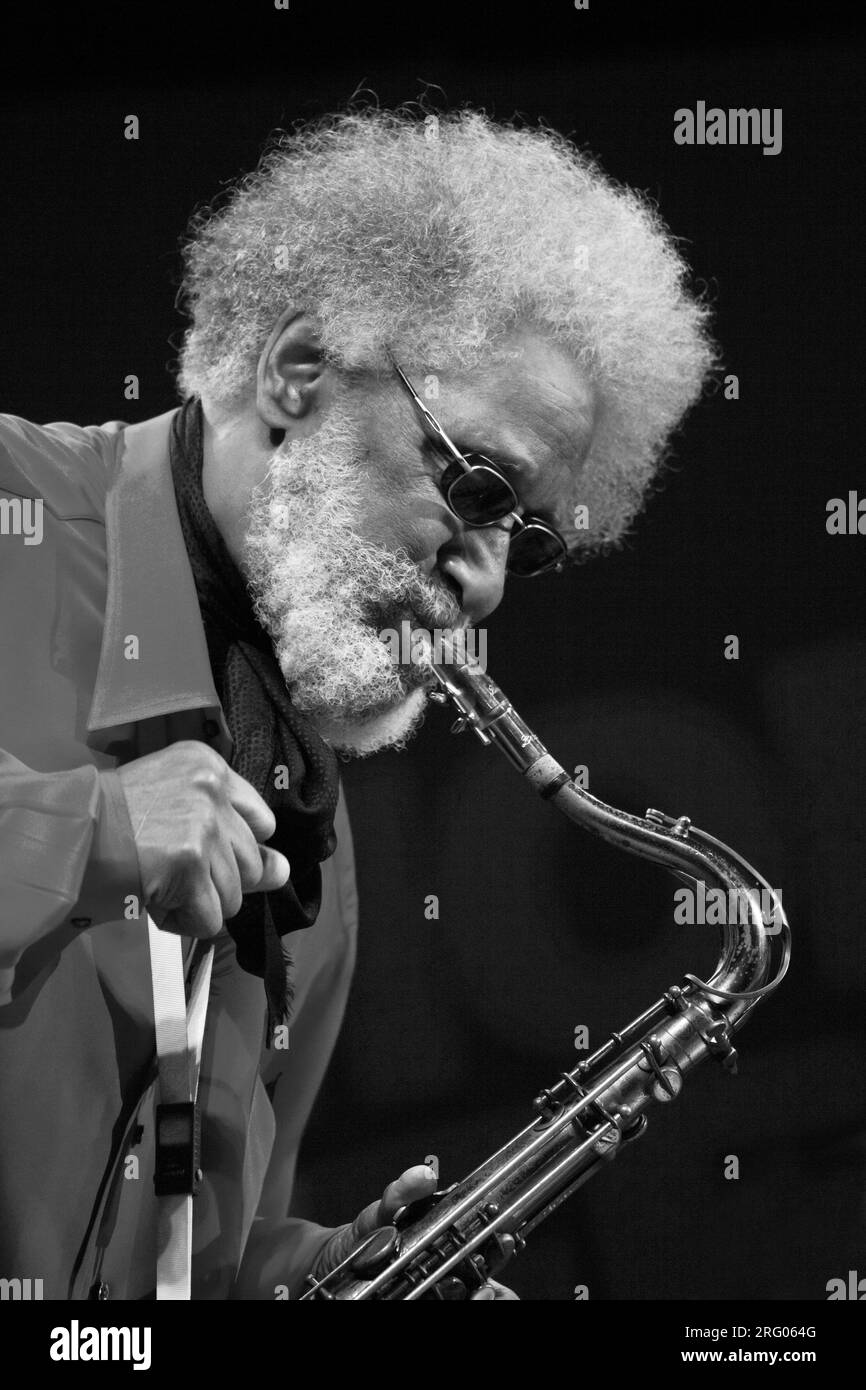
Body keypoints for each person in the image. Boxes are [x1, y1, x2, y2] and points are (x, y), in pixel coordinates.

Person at [0, 106, 715, 1300]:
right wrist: (84, 837)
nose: (483, 581)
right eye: (476, 485)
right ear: (297, 370)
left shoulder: (306, 850)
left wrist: (324, 1275)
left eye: (525, 545)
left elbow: (164, 1272)